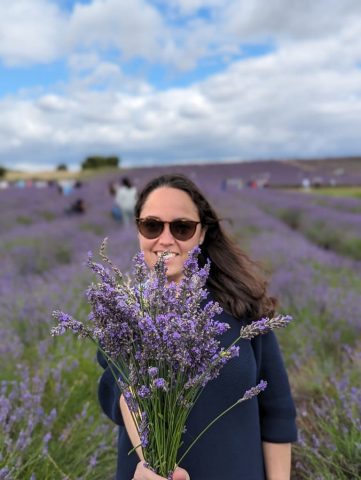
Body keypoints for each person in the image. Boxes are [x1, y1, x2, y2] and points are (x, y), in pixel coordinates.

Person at [98, 173, 298, 480]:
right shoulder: (122, 313)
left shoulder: (241, 307)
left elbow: (278, 413)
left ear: (202, 233)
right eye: (152, 225)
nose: (165, 239)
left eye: (181, 227)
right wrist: (154, 465)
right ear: (138, 229)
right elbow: (125, 393)